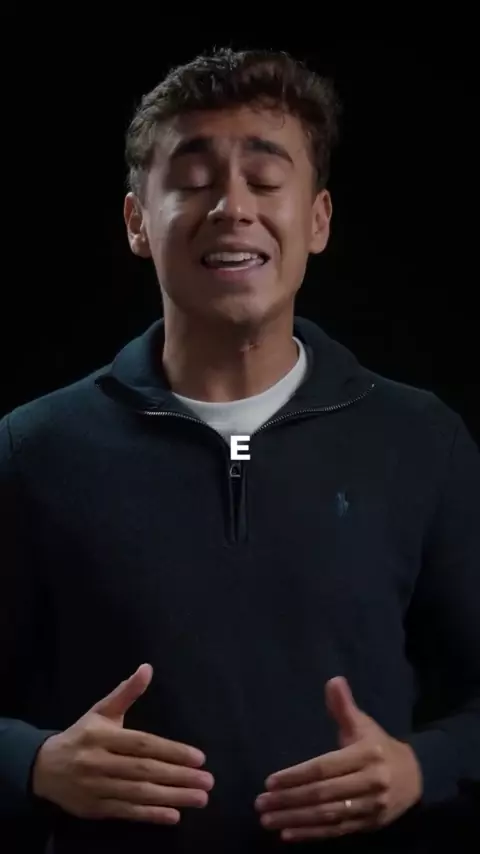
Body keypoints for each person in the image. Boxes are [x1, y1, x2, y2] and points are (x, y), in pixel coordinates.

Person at [0, 47, 479, 854]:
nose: (231, 207)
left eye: (264, 178)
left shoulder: (422, 440)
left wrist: (421, 768)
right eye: (193, 179)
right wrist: (33, 763)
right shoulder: (33, 449)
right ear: (136, 222)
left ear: (318, 220)